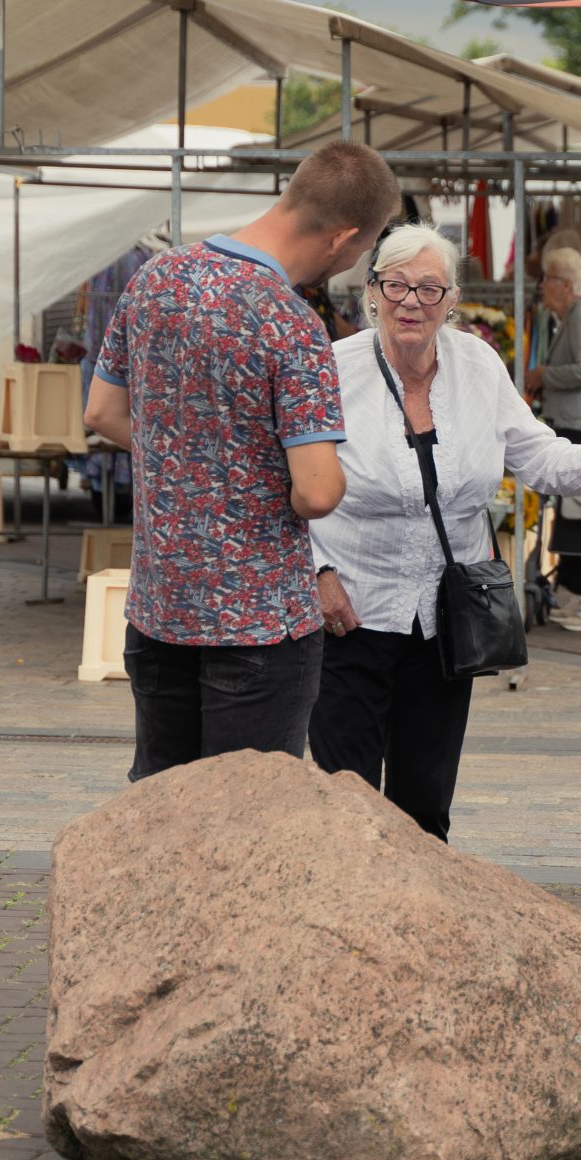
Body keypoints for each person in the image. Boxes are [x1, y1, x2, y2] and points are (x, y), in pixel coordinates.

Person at [84, 142, 400, 781]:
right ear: (342, 237)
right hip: (258, 624)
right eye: (363, 249)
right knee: (249, 824)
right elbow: (315, 491)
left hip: (160, 606)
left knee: (160, 811)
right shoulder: (292, 325)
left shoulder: (156, 278)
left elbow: (102, 414)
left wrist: (192, 462)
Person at [308, 226, 581, 838]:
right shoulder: (331, 371)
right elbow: (286, 484)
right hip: (350, 614)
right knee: (347, 805)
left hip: (446, 620)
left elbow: (539, 458)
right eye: (395, 285)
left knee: (425, 805)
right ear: (372, 294)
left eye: (428, 287)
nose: (410, 301)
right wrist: (314, 573)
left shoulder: (477, 365)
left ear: (451, 299)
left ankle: (421, 930)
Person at [525, 245, 581, 629]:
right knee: (577, 519)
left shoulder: (580, 316)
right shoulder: (578, 315)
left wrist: (545, 375)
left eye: (548, 279)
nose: (542, 286)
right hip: (578, 423)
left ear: (567, 284)